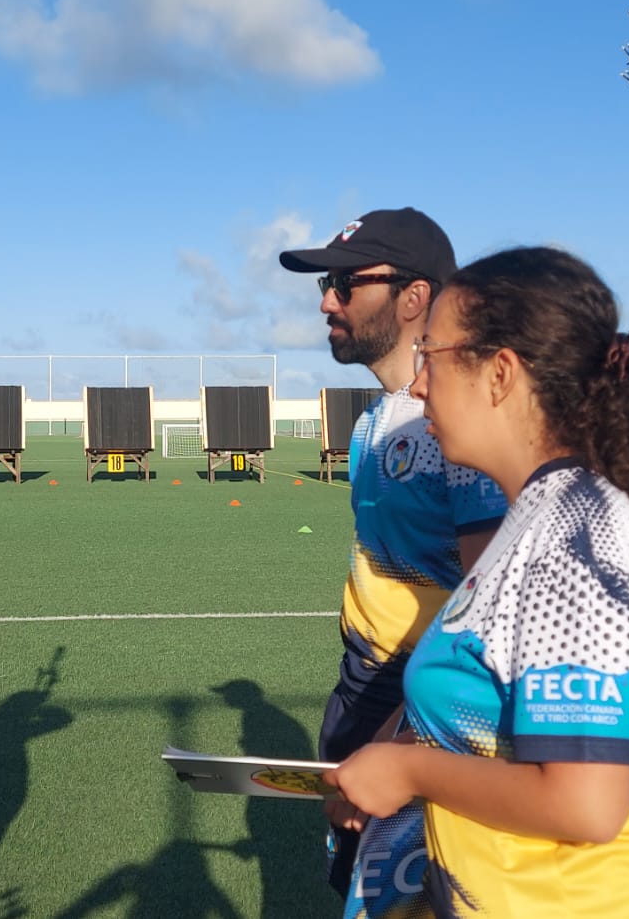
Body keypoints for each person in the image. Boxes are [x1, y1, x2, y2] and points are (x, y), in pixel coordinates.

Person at [323, 246, 629, 917]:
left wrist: (408, 770)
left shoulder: (576, 535)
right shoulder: (540, 515)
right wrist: (399, 750)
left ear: (500, 373)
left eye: (433, 354)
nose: (420, 383)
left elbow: (585, 800)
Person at [277, 208, 508, 897]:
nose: (326, 301)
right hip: (362, 688)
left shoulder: (460, 423)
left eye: (346, 284)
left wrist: (403, 733)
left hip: (424, 704)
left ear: (414, 298)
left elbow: (493, 599)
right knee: (356, 886)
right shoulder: (374, 421)